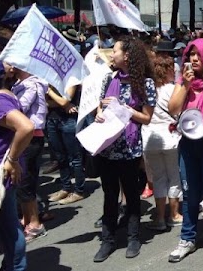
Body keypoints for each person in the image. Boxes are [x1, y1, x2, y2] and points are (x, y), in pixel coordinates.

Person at [93, 36, 156, 262]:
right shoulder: (110, 78)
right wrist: (99, 113)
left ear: (127, 55)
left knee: (131, 195)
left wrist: (125, 109)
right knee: (109, 195)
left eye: (115, 51)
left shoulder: (145, 83)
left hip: (129, 149)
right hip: (107, 147)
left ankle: (133, 237)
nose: (111, 54)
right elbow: (101, 105)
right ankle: (107, 240)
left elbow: (146, 118)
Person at [167, 38, 203, 262]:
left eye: (198, 55)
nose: (193, 59)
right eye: (190, 55)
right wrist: (185, 86)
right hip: (189, 144)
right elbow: (173, 109)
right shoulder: (183, 81)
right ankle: (187, 239)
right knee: (189, 192)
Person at [0, 54, 33, 271]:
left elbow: (26, 127)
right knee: (2, 226)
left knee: (9, 228)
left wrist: (12, 160)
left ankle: (15, 267)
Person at [142, 53, 183, 231]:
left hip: (149, 138)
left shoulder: (146, 90)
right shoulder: (173, 90)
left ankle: (159, 218)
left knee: (158, 178)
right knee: (174, 177)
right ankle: (174, 214)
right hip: (170, 138)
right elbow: (179, 113)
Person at [10, 67, 49, 242]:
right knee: (22, 182)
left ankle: (35, 224)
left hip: (32, 138)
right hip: (25, 138)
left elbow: (20, 107)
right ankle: (27, 218)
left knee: (26, 182)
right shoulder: (20, 84)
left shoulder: (31, 85)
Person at [45, 84, 86, 205]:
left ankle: (79, 191)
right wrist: (62, 103)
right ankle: (65, 188)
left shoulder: (70, 78)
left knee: (75, 158)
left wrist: (49, 91)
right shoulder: (47, 77)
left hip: (69, 120)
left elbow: (64, 100)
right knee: (60, 156)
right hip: (52, 119)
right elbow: (45, 102)